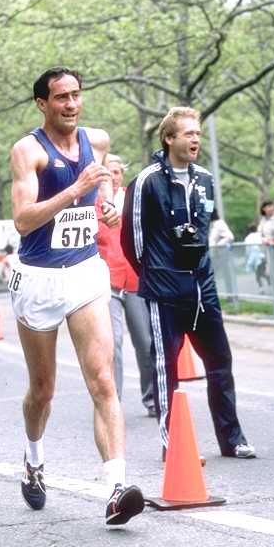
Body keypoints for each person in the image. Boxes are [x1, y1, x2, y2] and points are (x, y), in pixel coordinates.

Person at [8, 66, 144, 525]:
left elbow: (104, 184)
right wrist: (76, 190)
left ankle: (116, 489)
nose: (70, 104)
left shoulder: (98, 140)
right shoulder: (28, 152)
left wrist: (106, 202)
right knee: (42, 391)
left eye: (76, 95)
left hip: (85, 271)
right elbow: (23, 220)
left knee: (103, 379)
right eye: (60, 97)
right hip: (38, 279)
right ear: (42, 104)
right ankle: (33, 458)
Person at [121, 106, 256, 460]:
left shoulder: (205, 179)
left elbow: (203, 230)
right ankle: (173, 445)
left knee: (220, 362)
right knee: (166, 368)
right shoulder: (146, 181)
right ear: (169, 138)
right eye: (188, 134)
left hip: (203, 289)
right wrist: (157, 274)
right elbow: (132, 241)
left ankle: (233, 439)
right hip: (165, 292)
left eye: (197, 133)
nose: (195, 139)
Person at [96, 153, 156, 417]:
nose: (114, 176)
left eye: (118, 172)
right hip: (104, 280)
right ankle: (113, 403)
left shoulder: (134, 199)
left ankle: (152, 398)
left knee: (145, 341)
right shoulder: (90, 203)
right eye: (108, 172)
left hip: (134, 279)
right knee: (113, 343)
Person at [208, 209, 237, 299]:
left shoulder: (219, 224)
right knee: (213, 275)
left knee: (226, 275)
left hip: (222, 254)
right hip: (216, 255)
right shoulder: (212, 225)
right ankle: (222, 295)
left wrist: (218, 245)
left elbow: (230, 237)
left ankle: (231, 296)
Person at [242, 224, 266, 292]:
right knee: (262, 272)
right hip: (262, 256)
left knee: (258, 274)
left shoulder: (247, 238)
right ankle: (267, 281)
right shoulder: (260, 235)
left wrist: (248, 257)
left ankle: (261, 287)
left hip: (254, 257)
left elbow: (247, 250)